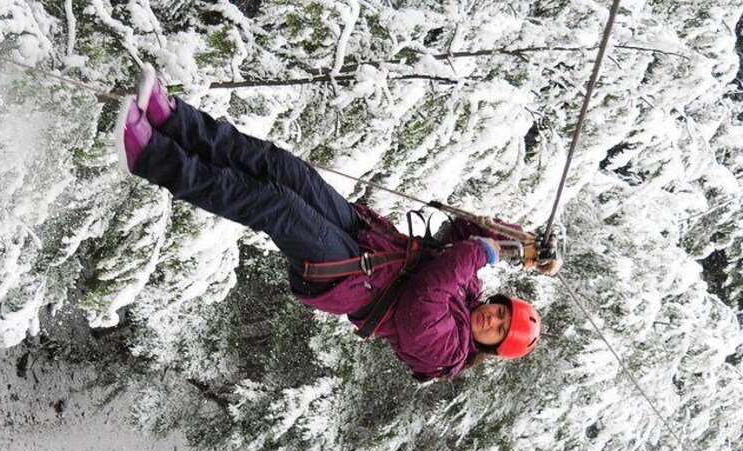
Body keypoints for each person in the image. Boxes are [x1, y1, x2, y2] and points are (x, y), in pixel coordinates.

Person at [116, 65, 554, 381]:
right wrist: (524, 244)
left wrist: (482, 253)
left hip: (345, 277)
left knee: (276, 205)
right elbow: (465, 235)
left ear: (491, 348)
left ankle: (152, 156)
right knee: (286, 170)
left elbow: (426, 294)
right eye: (501, 311)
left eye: (498, 330)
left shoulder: (446, 351)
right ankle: (174, 121)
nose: (491, 319)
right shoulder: (470, 294)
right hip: (367, 242)